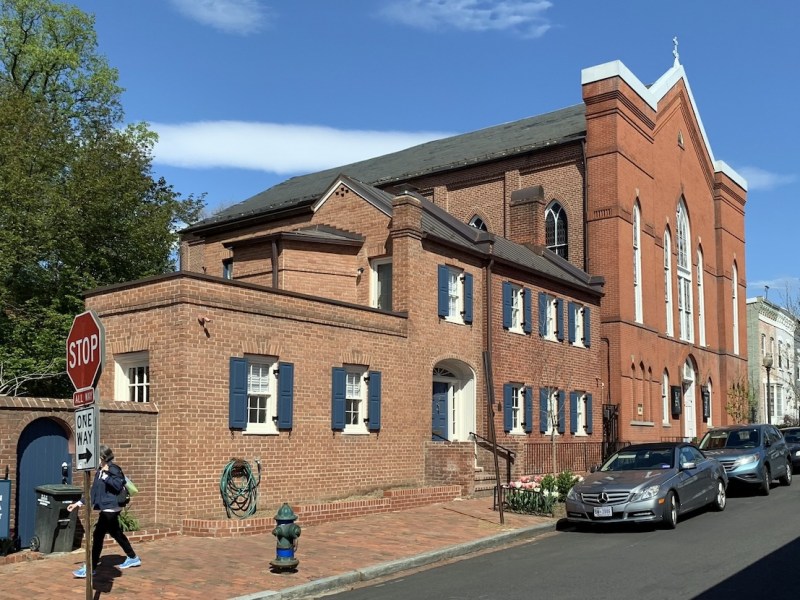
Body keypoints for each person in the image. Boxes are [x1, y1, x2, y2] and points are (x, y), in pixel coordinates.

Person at [67, 444, 141, 578]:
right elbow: (93, 491)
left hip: (111, 508)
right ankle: (133, 557)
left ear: (102, 457)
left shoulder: (113, 469)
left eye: (96, 457)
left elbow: (119, 485)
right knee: (116, 532)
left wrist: (106, 476)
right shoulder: (99, 470)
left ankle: (90, 567)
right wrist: (78, 503)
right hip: (107, 507)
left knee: (98, 535)